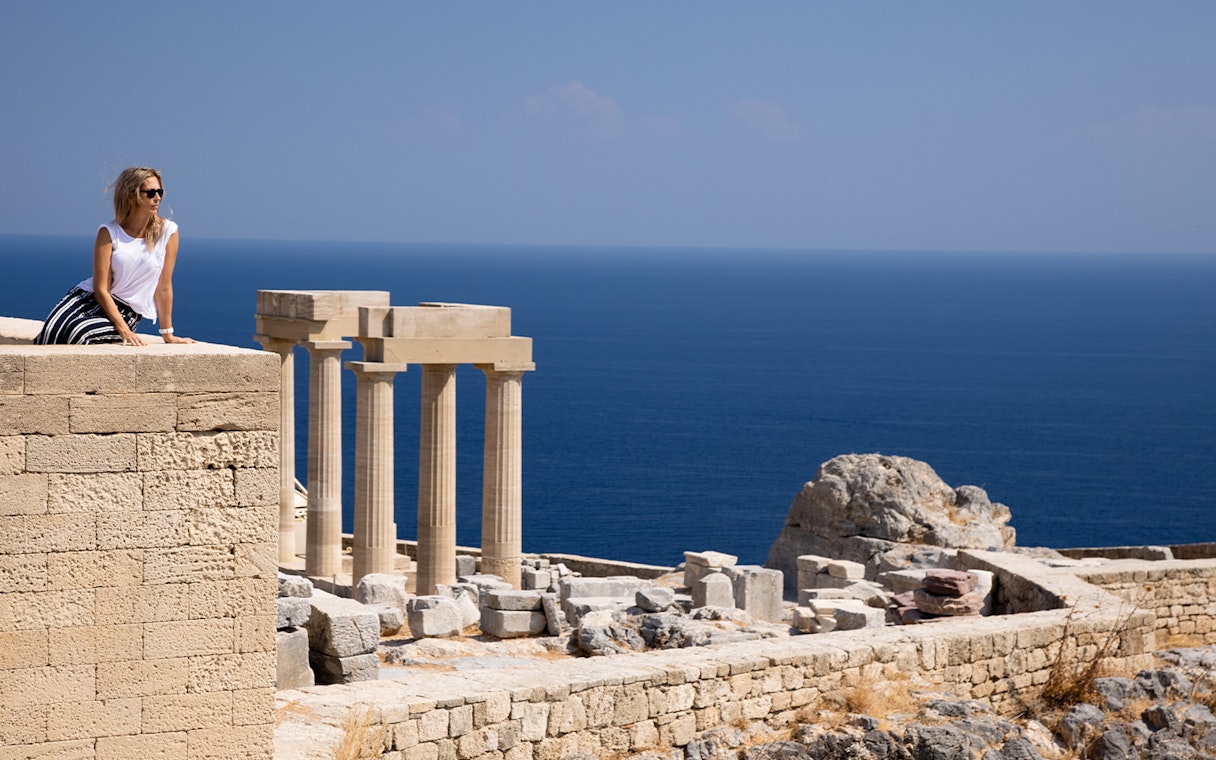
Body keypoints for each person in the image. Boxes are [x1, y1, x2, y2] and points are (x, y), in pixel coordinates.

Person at [34, 167, 195, 346]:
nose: (157, 197)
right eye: (150, 193)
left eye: (160, 192)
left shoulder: (168, 232)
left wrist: (168, 335)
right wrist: (123, 330)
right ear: (131, 195)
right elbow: (101, 288)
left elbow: (164, 287)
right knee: (51, 331)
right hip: (88, 298)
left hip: (127, 311)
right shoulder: (109, 232)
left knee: (80, 334)